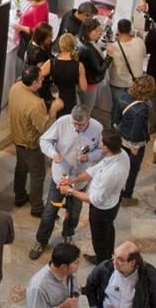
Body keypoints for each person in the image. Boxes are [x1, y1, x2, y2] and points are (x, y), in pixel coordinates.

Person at [30, 105, 103, 260]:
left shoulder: (98, 128)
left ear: (88, 119)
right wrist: (53, 154)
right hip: (60, 178)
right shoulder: (63, 122)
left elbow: (101, 150)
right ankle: (41, 241)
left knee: (74, 211)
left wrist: (89, 157)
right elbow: (44, 140)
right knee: (50, 210)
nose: (76, 127)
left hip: (79, 179)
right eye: (74, 123)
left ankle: (68, 235)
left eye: (80, 125)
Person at [58, 128, 130, 265]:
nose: (99, 143)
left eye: (101, 142)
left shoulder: (112, 173)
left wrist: (70, 191)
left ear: (106, 147)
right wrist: (72, 180)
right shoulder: (121, 154)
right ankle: (107, 255)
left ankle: (103, 262)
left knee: (99, 239)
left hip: (102, 210)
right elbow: (94, 170)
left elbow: (94, 199)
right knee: (108, 231)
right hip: (112, 203)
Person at [9, 65, 64, 216]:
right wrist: (53, 109)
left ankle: (19, 196)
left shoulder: (16, 87)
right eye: (40, 78)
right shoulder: (35, 103)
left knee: (21, 168)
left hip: (17, 137)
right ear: (33, 83)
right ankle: (37, 208)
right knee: (37, 175)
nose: (43, 79)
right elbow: (46, 128)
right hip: (31, 144)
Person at [85, 240, 156, 308]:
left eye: (120, 260)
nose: (114, 262)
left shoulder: (151, 276)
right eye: (114, 256)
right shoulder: (104, 268)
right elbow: (90, 286)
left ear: (132, 263)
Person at [117, 75, 156, 206]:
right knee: (133, 170)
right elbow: (137, 129)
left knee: (121, 165)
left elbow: (116, 119)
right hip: (135, 143)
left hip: (121, 137)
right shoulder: (142, 109)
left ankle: (116, 190)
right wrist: (134, 146)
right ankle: (127, 196)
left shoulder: (122, 97)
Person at [107, 18, 146, 126]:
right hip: (136, 81)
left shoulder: (114, 46)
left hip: (118, 82)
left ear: (118, 30)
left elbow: (107, 63)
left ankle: (115, 127)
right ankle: (129, 127)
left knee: (117, 106)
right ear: (130, 30)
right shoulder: (139, 42)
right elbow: (143, 55)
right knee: (133, 107)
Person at [41, 33, 88, 117]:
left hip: (54, 96)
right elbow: (84, 88)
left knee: (53, 122)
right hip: (70, 98)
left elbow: (38, 76)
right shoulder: (79, 65)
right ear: (74, 46)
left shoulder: (51, 62)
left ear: (60, 45)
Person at [25, 243, 82, 308]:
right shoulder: (38, 288)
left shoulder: (70, 271)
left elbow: (74, 289)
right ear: (64, 267)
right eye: (76, 263)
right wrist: (63, 307)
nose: (79, 265)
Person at [14, 0, 51, 77]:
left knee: (21, 66)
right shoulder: (40, 1)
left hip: (28, 40)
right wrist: (22, 15)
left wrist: (19, 27)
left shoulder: (39, 9)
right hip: (27, 39)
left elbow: (36, 30)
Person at [77, 18, 112, 111]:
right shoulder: (89, 49)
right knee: (86, 109)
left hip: (81, 80)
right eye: (96, 31)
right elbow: (100, 69)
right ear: (88, 31)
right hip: (89, 83)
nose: (99, 34)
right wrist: (109, 56)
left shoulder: (79, 39)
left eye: (99, 32)